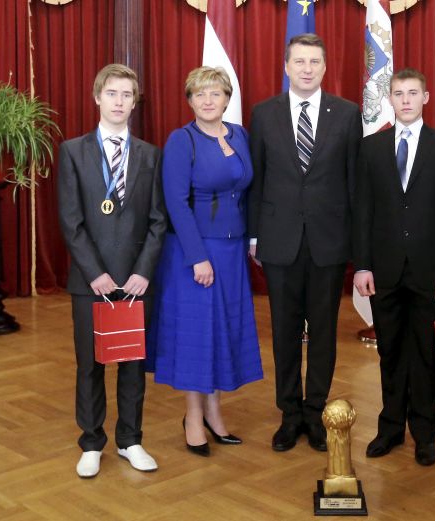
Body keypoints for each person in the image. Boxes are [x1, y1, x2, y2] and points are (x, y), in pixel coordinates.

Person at [248, 33, 362, 452]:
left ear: (325, 67)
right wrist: (255, 235)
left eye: (314, 61)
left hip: (328, 242)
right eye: (299, 61)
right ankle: (289, 414)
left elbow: (354, 182)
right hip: (279, 241)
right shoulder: (264, 114)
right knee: (284, 331)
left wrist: (357, 244)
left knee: (324, 333)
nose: (307, 69)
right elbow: (257, 178)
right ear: (287, 66)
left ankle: (316, 414)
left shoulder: (347, 114)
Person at [147, 67, 263, 457]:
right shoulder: (182, 140)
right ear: (190, 101)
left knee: (222, 331)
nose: (208, 100)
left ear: (227, 98)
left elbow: (248, 194)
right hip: (194, 253)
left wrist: (251, 239)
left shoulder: (240, 135)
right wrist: (198, 257)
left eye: (215, 93)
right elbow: (176, 203)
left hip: (231, 252)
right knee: (196, 336)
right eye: (199, 94)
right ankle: (193, 418)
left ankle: (214, 413)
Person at [58, 63, 167, 478]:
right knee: (90, 363)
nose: (119, 102)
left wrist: (143, 271)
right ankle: (91, 442)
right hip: (91, 281)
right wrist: (94, 273)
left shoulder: (150, 155)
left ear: (135, 103)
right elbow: (71, 221)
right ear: (97, 97)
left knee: (132, 363)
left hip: (136, 280)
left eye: (127, 95)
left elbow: (158, 220)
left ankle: (130, 439)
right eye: (112, 93)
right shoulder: (73, 151)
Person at [353, 68, 435, 466]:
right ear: (390, 99)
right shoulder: (371, 148)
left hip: (430, 271)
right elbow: (362, 211)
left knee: (426, 355)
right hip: (383, 269)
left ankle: (425, 433)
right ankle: (390, 428)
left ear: (426, 97)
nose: (405, 100)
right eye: (398, 93)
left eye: (413, 93)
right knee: (391, 352)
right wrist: (362, 265)